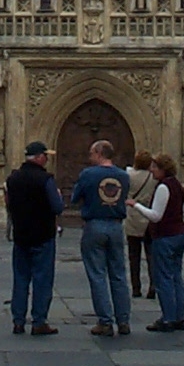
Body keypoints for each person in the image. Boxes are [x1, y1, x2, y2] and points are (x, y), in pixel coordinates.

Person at [71, 139, 132, 337]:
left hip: (95, 224)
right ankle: (123, 320)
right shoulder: (124, 176)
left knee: (97, 274)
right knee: (119, 274)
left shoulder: (88, 174)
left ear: (99, 153)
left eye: (91, 153)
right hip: (116, 225)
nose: (90, 157)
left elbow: (74, 198)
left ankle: (105, 321)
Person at [4, 141, 63, 335]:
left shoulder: (13, 178)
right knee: (42, 279)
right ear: (38, 157)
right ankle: (39, 321)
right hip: (43, 235)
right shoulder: (45, 179)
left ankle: (18, 321)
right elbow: (57, 207)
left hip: (21, 235)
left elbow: (9, 203)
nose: (47, 160)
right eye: (45, 156)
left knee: (20, 279)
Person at [133, 152, 184, 334]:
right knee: (176, 276)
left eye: (155, 167)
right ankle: (179, 317)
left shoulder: (163, 187)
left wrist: (135, 205)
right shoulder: (177, 185)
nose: (152, 170)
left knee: (163, 277)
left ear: (163, 169)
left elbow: (156, 216)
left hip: (166, 236)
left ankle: (168, 318)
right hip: (179, 233)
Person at [125, 151, 156, 299]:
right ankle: (153, 285)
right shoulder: (153, 177)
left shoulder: (129, 175)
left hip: (133, 216)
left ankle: (136, 287)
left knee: (134, 255)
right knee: (151, 255)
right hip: (148, 216)